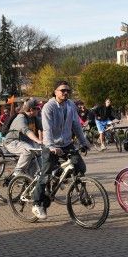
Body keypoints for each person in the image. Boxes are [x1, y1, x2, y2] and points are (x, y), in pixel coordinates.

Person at [31, 80, 90, 220]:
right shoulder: (48, 107)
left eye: (68, 91)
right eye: (62, 90)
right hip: (50, 145)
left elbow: (76, 125)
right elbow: (47, 129)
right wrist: (51, 147)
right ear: (55, 92)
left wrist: (84, 142)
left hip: (66, 143)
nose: (65, 93)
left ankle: (56, 177)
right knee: (45, 174)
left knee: (80, 166)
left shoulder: (70, 105)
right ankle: (37, 203)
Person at [3, 98, 43, 176]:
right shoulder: (21, 117)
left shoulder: (35, 118)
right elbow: (26, 131)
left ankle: (29, 180)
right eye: (38, 108)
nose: (39, 110)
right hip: (12, 142)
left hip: (25, 142)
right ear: (31, 109)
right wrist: (38, 140)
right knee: (28, 151)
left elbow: (44, 128)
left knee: (37, 155)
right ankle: (18, 172)